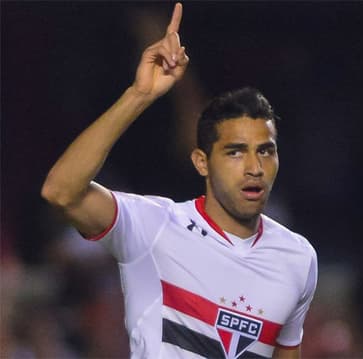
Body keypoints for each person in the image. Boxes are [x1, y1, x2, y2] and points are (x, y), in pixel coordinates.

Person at [40, 3, 318, 359]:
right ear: (202, 162)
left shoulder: (298, 258)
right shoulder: (153, 227)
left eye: (265, 151)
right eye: (235, 152)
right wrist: (139, 95)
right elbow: (60, 192)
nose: (254, 167)